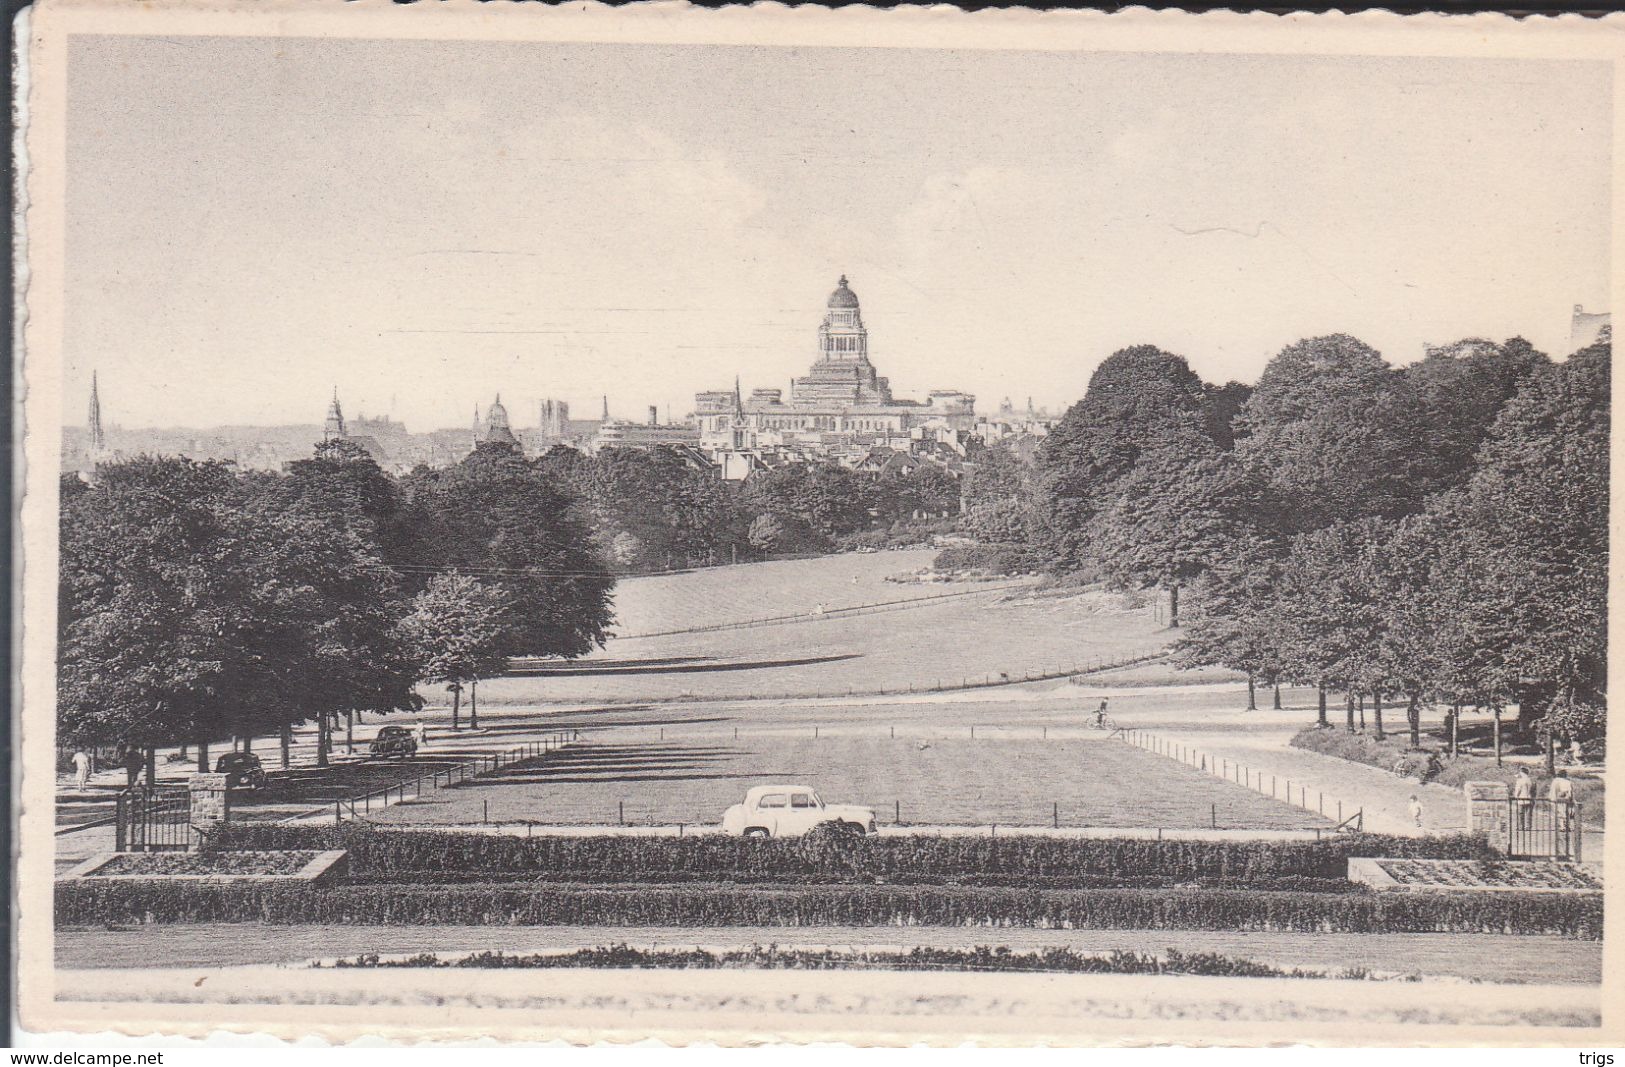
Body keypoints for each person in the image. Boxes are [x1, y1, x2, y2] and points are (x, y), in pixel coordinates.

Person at [1550, 770, 1575, 856]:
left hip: (1553, 800)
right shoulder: (1565, 782)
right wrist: (1568, 797)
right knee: (1563, 813)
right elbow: (1564, 792)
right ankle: (1563, 826)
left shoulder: (1554, 781)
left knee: (1558, 814)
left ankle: (1561, 825)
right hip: (1562, 801)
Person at [1513, 767, 1535, 831]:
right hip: (1529, 798)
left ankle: (1521, 826)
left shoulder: (1520, 780)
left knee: (1520, 813)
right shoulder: (1530, 780)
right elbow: (1533, 790)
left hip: (1521, 798)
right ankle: (1528, 826)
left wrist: (1516, 796)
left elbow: (1518, 790)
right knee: (1528, 814)